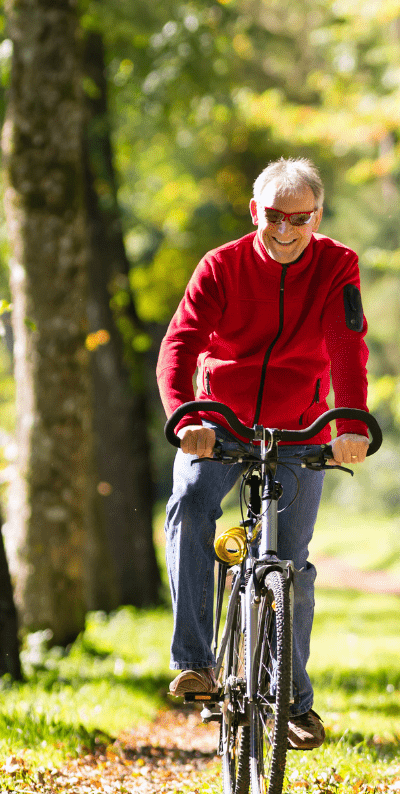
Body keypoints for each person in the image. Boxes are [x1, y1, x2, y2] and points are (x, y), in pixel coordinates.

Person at [158, 157, 371, 750]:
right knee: (193, 504)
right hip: (217, 421)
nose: (284, 230)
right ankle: (196, 661)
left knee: (291, 566)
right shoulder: (221, 266)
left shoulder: (336, 264)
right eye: (273, 216)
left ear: (317, 216)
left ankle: (293, 701)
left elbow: (346, 345)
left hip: (300, 426)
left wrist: (350, 421)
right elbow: (181, 344)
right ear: (255, 212)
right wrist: (186, 417)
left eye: (298, 218)